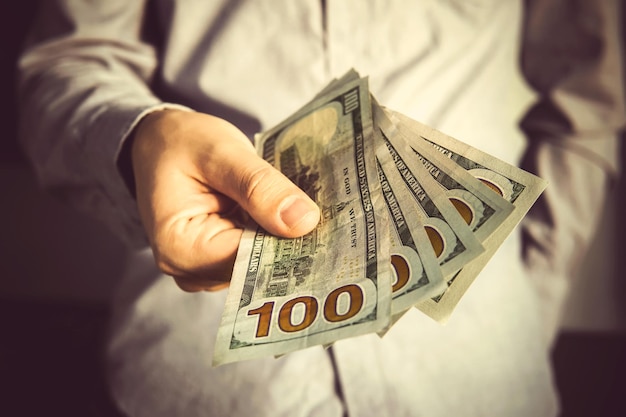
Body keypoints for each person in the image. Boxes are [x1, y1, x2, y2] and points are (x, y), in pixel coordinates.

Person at [17, 1, 624, 416]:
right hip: (204, 373)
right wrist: (140, 139)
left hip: (483, 378)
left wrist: (528, 298)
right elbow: (67, 61)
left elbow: (586, 102)